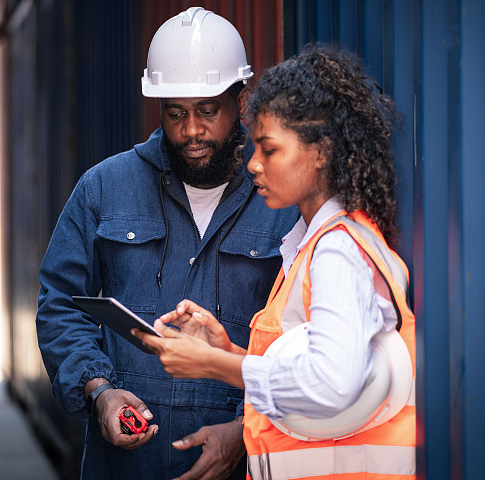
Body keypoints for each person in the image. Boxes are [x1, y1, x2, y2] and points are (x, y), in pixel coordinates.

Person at [35, 7, 299, 480]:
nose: (192, 130)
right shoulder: (104, 188)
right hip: (125, 464)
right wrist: (100, 391)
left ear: (239, 100)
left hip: (240, 462)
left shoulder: (281, 196)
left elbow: (303, 342)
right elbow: (59, 304)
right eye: (176, 113)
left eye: (207, 111)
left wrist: (243, 431)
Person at [136, 43, 417, 479]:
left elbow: (332, 384)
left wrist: (213, 365)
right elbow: (312, 369)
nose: (253, 165)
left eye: (269, 150)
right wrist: (228, 351)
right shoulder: (314, 244)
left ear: (320, 152)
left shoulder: (338, 251)